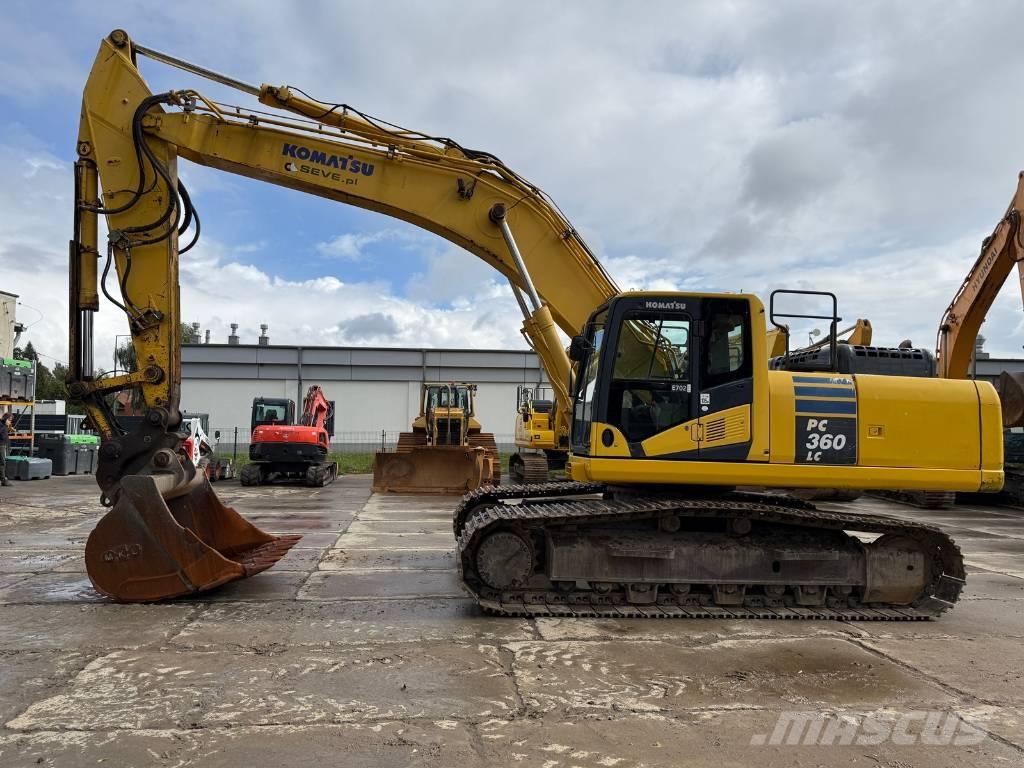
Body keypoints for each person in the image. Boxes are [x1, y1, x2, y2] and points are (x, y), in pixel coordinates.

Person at [0, 412, 12, 486]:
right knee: (2, 462)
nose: (10, 422)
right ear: (5, 419)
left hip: (2, 445)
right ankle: (3, 480)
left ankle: (3, 479)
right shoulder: (1, 425)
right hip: (0, 446)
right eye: (9, 420)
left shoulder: (3, 425)